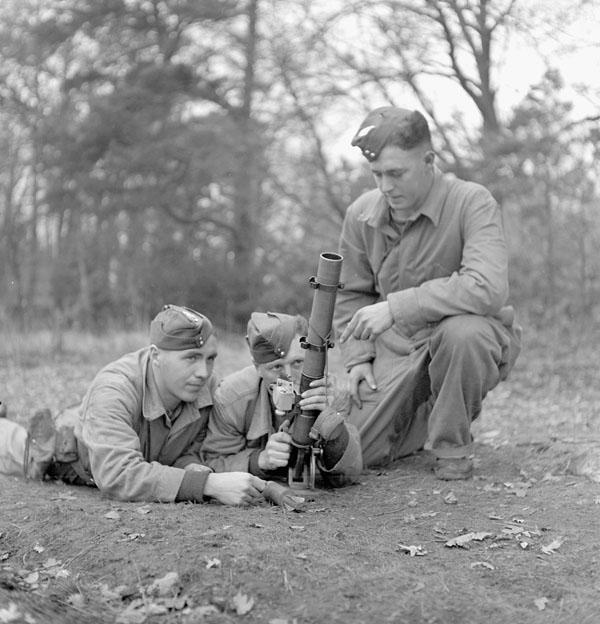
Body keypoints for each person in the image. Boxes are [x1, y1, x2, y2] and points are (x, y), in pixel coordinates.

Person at [334, 106, 522, 480]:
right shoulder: (361, 214)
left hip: (464, 340)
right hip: (398, 347)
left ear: (429, 160)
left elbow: (486, 288)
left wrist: (396, 306)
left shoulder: (472, 201)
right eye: (377, 175)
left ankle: (452, 445)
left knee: (463, 334)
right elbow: (350, 294)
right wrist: (358, 359)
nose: (385, 187)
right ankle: (421, 414)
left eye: (396, 174)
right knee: (351, 455)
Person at [0, 305, 266, 505]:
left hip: (122, 447)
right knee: (9, 444)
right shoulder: (114, 388)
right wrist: (208, 484)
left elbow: (189, 449)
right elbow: (117, 474)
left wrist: (192, 469)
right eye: (191, 358)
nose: (203, 371)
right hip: (63, 455)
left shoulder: (203, 387)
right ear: (155, 356)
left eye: (210, 359)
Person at [201, 312, 362, 486]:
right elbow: (212, 463)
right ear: (258, 368)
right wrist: (259, 460)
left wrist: (331, 426)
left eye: (297, 363)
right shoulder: (232, 397)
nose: (288, 377)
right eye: (276, 367)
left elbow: (350, 473)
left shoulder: (328, 392)